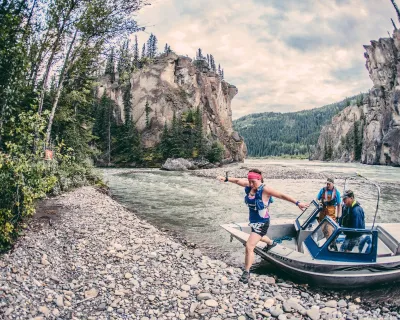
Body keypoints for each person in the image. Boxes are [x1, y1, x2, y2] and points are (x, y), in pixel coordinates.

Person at [217, 169, 308, 284]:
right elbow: (237, 180)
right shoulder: (249, 186)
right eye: (249, 181)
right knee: (259, 237)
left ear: (259, 179)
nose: (250, 184)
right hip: (253, 221)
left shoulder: (265, 189)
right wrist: (225, 179)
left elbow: (281, 195)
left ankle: (246, 272)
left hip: (262, 223)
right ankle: (270, 243)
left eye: (253, 181)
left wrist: (297, 203)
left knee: (249, 246)